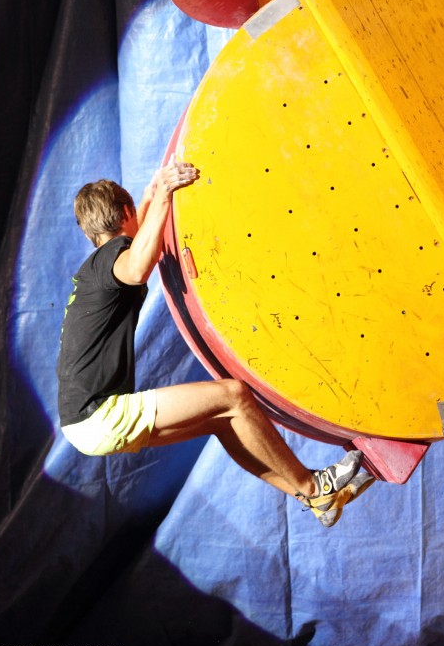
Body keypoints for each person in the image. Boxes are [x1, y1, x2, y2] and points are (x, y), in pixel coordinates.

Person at [57, 159, 374, 527]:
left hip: (81, 425)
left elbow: (139, 240)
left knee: (224, 421)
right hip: (100, 414)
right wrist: (164, 194)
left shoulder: (96, 269)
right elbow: (139, 263)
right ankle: (315, 485)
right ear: (124, 212)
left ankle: (315, 500)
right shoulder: (113, 259)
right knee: (233, 396)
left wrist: (148, 198)